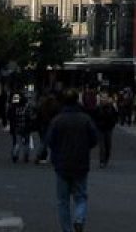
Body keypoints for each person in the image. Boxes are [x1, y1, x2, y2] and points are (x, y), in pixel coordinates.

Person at [45, 89, 99, 232]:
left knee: (63, 201)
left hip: (62, 163)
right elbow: (94, 139)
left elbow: (49, 140)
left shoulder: (57, 120)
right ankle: (79, 218)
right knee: (81, 197)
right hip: (81, 162)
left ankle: (66, 229)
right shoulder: (85, 119)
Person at [94, 90, 118, 167]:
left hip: (108, 128)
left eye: (105, 98)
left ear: (108, 98)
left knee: (108, 145)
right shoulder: (97, 107)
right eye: (102, 97)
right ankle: (102, 161)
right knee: (102, 146)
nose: (104, 99)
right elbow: (94, 117)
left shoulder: (111, 107)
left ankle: (106, 159)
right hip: (100, 128)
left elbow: (115, 116)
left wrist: (112, 124)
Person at [8, 93, 31, 163]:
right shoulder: (26, 109)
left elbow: (12, 117)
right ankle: (26, 156)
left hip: (17, 127)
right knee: (26, 142)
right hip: (26, 128)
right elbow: (29, 118)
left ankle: (15, 155)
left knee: (17, 142)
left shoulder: (16, 109)